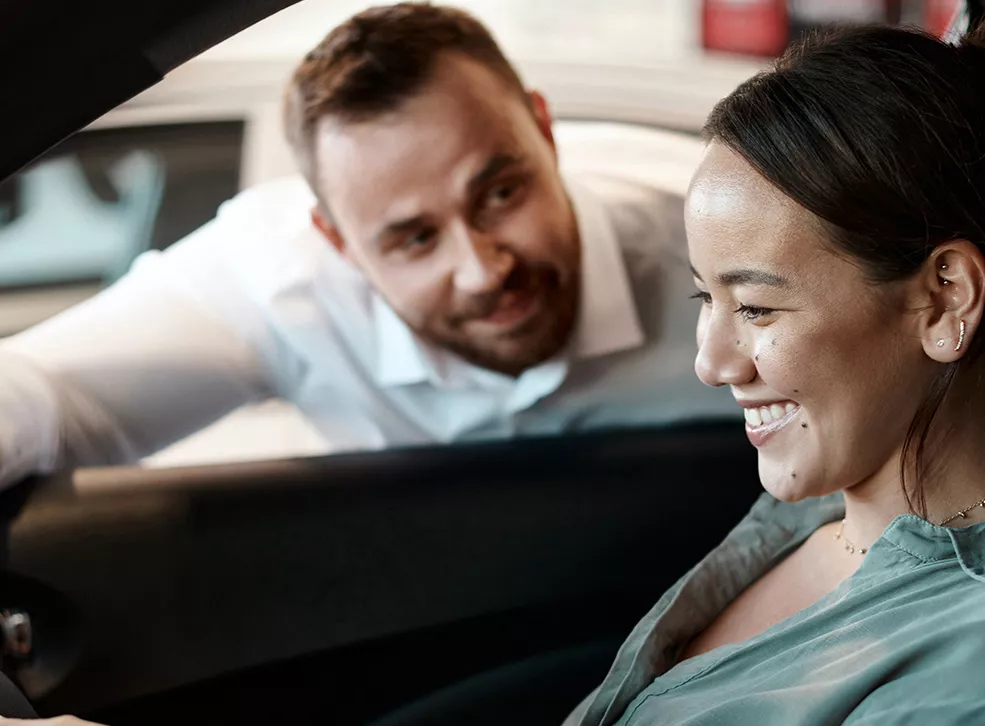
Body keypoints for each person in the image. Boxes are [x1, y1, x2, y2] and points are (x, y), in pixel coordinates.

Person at [5, 20, 985, 726]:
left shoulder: (965, 672)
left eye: (759, 309)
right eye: (702, 299)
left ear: (945, 297)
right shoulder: (806, 506)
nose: (710, 360)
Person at [0, 2, 734, 491]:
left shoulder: (728, 238)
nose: (481, 270)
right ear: (337, 241)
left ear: (544, 132)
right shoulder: (278, 276)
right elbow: (48, 398)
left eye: (501, 195)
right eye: (414, 238)